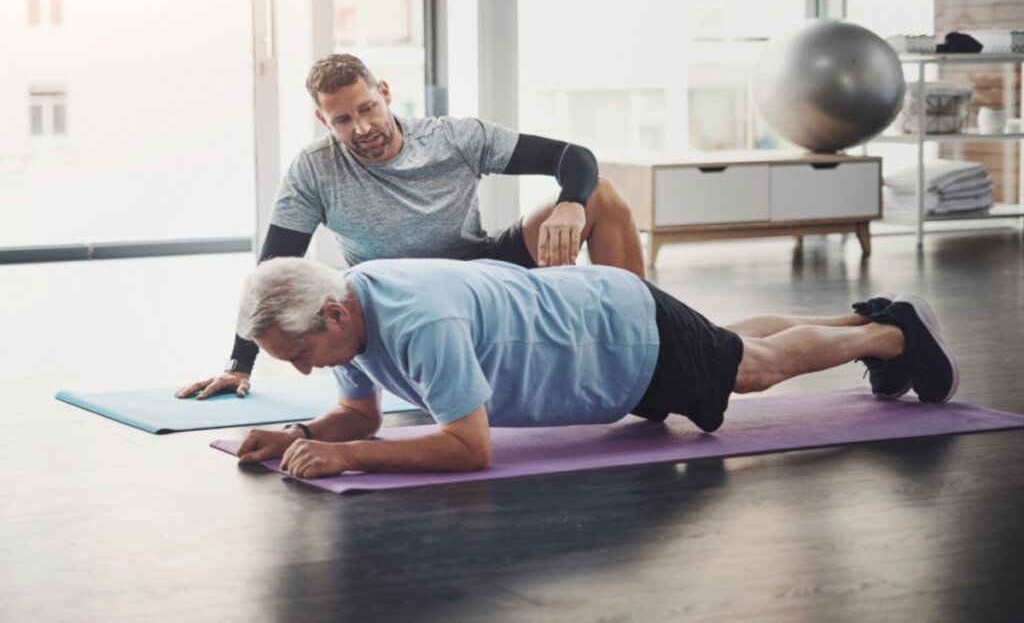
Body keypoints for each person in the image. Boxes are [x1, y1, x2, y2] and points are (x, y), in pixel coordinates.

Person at [176, 54, 645, 401]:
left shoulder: (452, 137)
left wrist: (571, 202)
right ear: (323, 120)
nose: (360, 127)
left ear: (383, 92)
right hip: (395, 304)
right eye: (342, 119)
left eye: (366, 108)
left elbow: (573, 157)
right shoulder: (315, 168)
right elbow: (275, 270)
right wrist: (240, 364)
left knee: (600, 193)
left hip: (478, 273)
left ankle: (647, 338)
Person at [230, 257, 959, 479]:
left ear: (330, 314)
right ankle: (865, 319)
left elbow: (467, 447)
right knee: (723, 343)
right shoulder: (350, 310)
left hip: (615, 338)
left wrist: (348, 459)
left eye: (299, 356)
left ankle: (890, 338)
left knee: (748, 370)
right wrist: (297, 430)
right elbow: (359, 413)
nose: (302, 371)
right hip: (598, 310)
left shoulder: (419, 318)